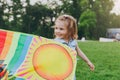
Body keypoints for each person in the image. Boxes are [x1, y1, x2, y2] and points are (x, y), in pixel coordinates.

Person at [53, 14, 95, 80]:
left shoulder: (73, 41)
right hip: (58, 72)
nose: (57, 31)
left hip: (70, 71)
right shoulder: (55, 42)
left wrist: (88, 61)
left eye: (61, 29)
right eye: (56, 28)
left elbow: (79, 52)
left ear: (70, 31)